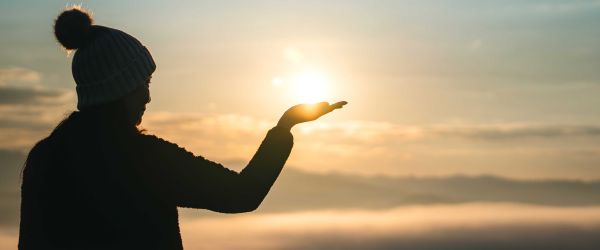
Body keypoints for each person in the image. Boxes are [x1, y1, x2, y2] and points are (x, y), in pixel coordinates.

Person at [18, 7, 346, 250]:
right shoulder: (143, 159)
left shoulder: (45, 158)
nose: (148, 96)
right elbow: (242, 194)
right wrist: (284, 127)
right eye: (142, 83)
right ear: (119, 88)